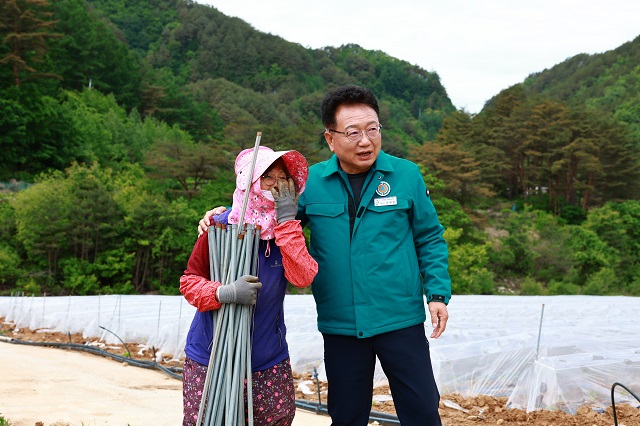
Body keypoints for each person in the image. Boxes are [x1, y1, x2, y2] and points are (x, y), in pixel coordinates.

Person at [200, 85, 451, 426]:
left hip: (400, 318)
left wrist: (437, 293)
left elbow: (429, 237)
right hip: (341, 324)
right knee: (347, 417)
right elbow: (267, 216)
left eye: (372, 129)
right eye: (353, 132)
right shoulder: (310, 183)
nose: (365, 141)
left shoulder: (406, 175)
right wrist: (224, 215)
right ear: (331, 138)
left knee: (422, 411)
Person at [181, 146, 318, 426]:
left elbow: (303, 276)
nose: (277, 185)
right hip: (212, 355)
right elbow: (189, 282)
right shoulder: (220, 227)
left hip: (268, 359)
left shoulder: (286, 233)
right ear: (249, 180)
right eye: (268, 177)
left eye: (284, 179)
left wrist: (288, 222)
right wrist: (224, 292)